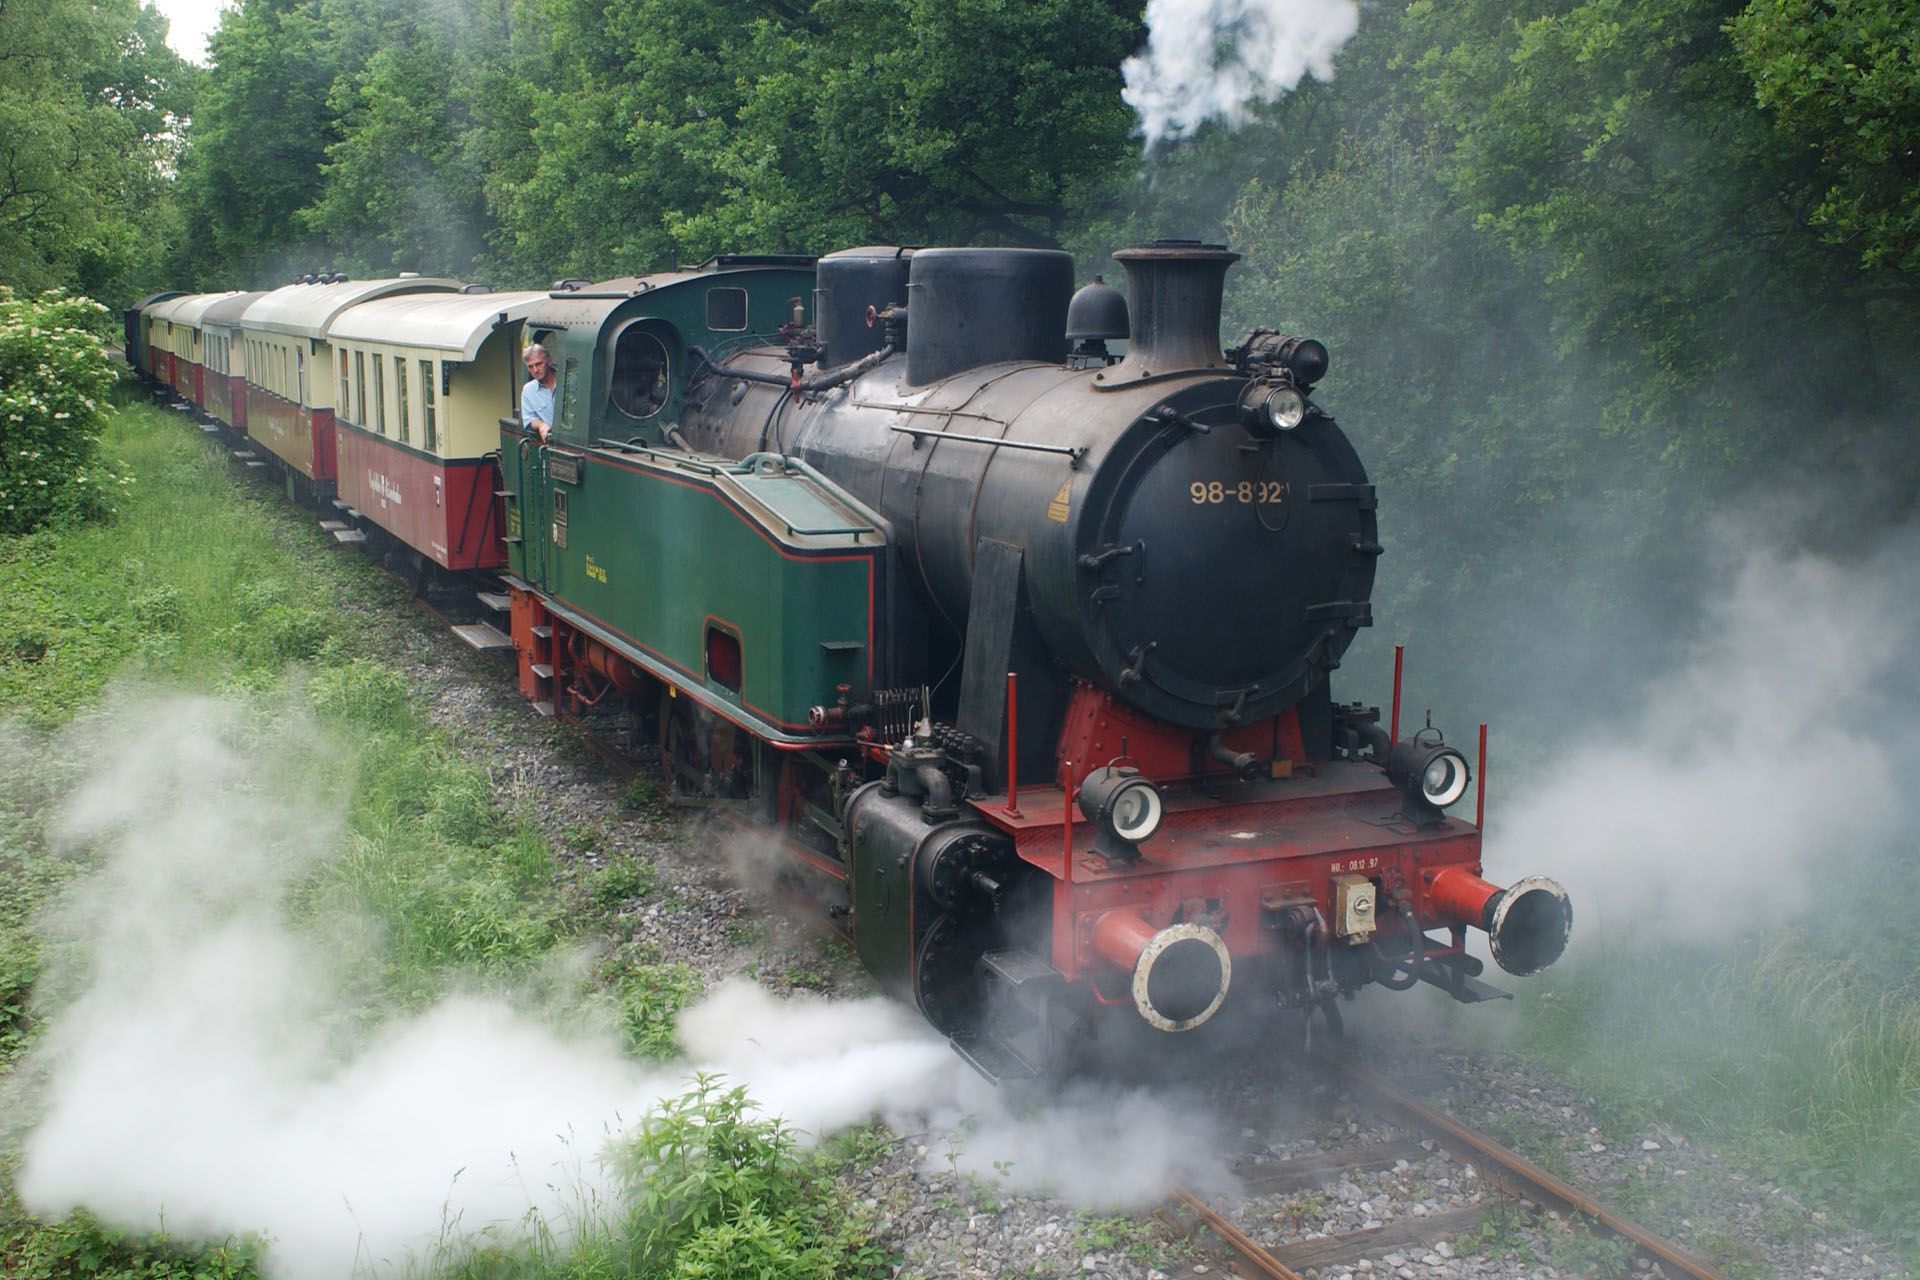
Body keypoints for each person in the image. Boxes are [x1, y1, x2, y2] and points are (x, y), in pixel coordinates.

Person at [521, 343, 558, 442]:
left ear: (549, 360)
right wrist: (541, 425)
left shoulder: (566, 380)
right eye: (530, 367)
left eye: (538, 364)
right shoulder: (528, 390)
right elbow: (529, 418)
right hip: (552, 444)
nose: (535, 370)